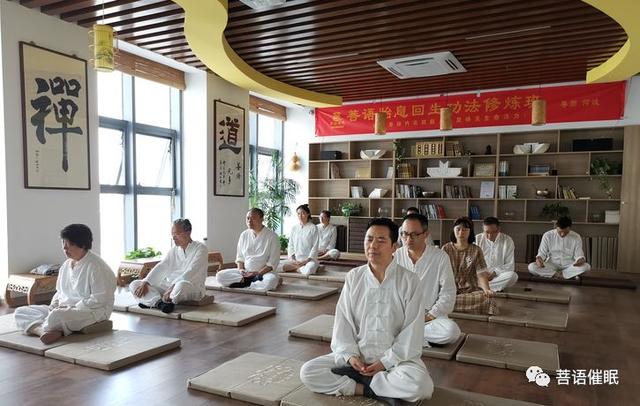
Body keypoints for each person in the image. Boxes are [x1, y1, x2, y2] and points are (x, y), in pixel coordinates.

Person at [300, 218, 433, 405]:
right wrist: (350, 356)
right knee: (308, 371)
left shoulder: (409, 281)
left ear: (394, 247)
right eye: (369, 239)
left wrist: (385, 362)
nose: (373, 246)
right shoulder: (354, 277)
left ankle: (361, 382)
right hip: (358, 358)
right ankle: (366, 389)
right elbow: (343, 322)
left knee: (421, 386)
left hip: (395, 361)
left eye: (381, 240)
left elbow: (412, 332)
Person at [14, 224, 116, 344]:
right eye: (63, 243)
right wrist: (54, 306)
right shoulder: (66, 265)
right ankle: (43, 331)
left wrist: (72, 308)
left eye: (69, 244)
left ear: (83, 245)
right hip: (63, 309)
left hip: (92, 311)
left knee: (57, 316)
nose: (64, 248)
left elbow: (100, 299)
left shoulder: (97, 267)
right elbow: (60, 292)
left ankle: (42, 327)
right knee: (21, 312)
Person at [394, 214, 460, 347]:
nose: (408, 239)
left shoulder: (440, 257)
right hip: (400, 316)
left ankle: (401, 334)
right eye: (404, 234)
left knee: (451, 332)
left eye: (414, 234)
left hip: (428, 318)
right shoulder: (395, 256)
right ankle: (407, 333)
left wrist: (429, 316)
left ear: (426, 234)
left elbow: (448, 293)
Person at [130, 219, 207, 313]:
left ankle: (150, 302)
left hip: (190, 286)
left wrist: (173, 287)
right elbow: (162, 265)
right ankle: (160, 303)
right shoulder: (174, 249)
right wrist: (146, 281)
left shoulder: (201, 248)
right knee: (135, 285)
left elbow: (192, 271)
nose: (174, 238)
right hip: (168, 287)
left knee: (180, 287)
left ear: (188, 232)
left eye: (177, 234)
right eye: (172, 235)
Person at [216, 208, 281, 290]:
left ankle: (246, 282)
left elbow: (273, 262)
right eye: (248, 218)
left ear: (262, 219)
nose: (249, 221)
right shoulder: (244, 235)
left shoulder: (272, 236)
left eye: (253, 218)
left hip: (264, 273)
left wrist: (257, 273)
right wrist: (241, 270)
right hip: (246, 272)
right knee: (219, 276)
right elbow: (240, 257)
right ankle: (251, 282)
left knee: (270, 281)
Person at [441, 217, 496, 315]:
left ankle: (446, 305)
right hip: (449, 289)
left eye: (465, 229)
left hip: (470, 290)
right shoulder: (446, 248)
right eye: (458, 229)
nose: (461, 232)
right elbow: (440, 274)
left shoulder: (476, 250)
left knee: (487, 299)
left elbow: (481, 274)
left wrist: (487, 290)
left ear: (470, 232)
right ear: (453, 230)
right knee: (435, 296)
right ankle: (450, 303)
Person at [475, 217, 518, 291]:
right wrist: (482, 274)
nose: (489, 236)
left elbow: (510, 266)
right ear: (483, 230)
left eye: (493, 232)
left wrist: (494, 273)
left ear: (498, 230)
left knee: (513, 276)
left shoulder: (507, 240)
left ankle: (480, 286)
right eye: (487, 232)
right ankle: (486, 286)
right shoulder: (477, 239)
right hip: (480, 275)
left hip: (498, 276)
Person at [280, 204, 320, 275]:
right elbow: (290, 245)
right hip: (295, 260)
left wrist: (306, 261)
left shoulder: (313, 228)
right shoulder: (294, 228)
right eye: (298, 214)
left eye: (303, 213)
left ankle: (294, 268)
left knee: (309, 270)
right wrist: (293, 259)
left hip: (309, 260)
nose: (300, 216)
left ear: (308, 214)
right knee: (276, 266)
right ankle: (298, 268)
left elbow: (315, 246)